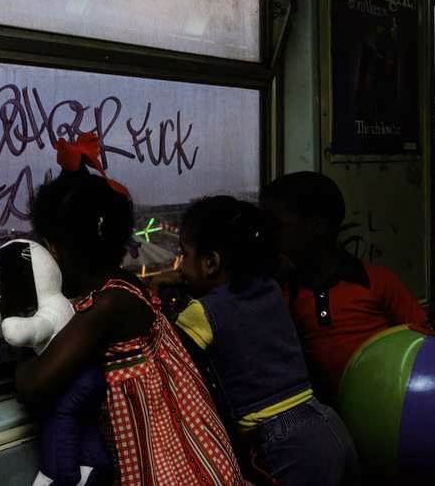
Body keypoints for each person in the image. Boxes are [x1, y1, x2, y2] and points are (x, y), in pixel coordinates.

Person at [15, 133, 245, 485]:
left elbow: (33, 384)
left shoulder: (107, 306)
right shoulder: (126, 285)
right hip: (190, 448)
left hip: (164, 464)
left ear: (54, 250)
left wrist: (18, 333)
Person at [154, 196, 359, 486]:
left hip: (285, 441)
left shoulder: (202, 313)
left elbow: (167, 353)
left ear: (211, 262)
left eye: (184, 255)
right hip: (325, 422)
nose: (180, 267)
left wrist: (155, 296)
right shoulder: (269, 287)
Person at [259, 171, 435, 403]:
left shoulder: (375, 281)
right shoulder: (283, 291)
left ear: (318, 227)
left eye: (277, 227)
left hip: (386, 406)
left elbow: (425, 340)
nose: (269, 237)